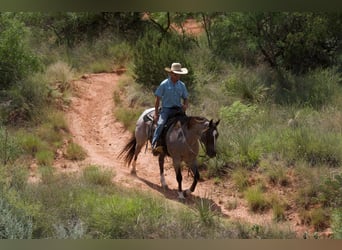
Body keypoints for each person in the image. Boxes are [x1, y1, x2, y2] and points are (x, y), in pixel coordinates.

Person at [151, 62, 189, 154]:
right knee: (161, 124)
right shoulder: (164, 84)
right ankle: (155, 144)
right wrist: (156, 113)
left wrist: (185, 105)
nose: (178, 76)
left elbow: (185, 98)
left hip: (178, 109)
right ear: (171, 73)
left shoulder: (182, 85)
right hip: (167, 109)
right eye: (176, 74)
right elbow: (158, 98)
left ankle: (188, 145)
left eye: (179, 74)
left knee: (188, 124)